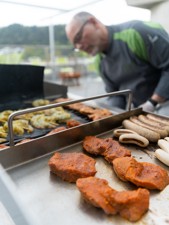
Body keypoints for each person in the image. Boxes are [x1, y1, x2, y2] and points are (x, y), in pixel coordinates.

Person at [65, 11, 169, 116]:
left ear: (93, 22)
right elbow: (115, 95)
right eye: (75, 45)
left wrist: (152, 102)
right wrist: (112, 114)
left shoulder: (135, 33)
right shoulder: (99, 61)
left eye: (78, 37)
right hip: (143, 109)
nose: (79, 46)